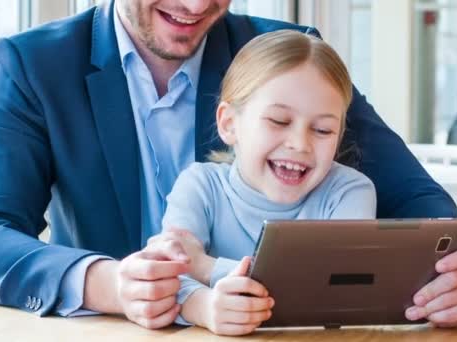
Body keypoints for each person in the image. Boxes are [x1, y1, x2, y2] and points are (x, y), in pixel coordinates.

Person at [0, 0, 457, 331]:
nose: (194, 5)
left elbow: (414, 197)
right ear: (227, 121)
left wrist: (448, 273)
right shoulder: (34, 64)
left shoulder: (288, 53)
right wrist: (112, 285)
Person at [154, 30, 376, 335]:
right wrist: (205, 307)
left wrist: (205, 267)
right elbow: (166, 278)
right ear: (230, 124)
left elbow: (332, 287)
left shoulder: (349, 192)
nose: (300, 144)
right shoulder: (199, 186)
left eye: (323, 130)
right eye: (279, 121)